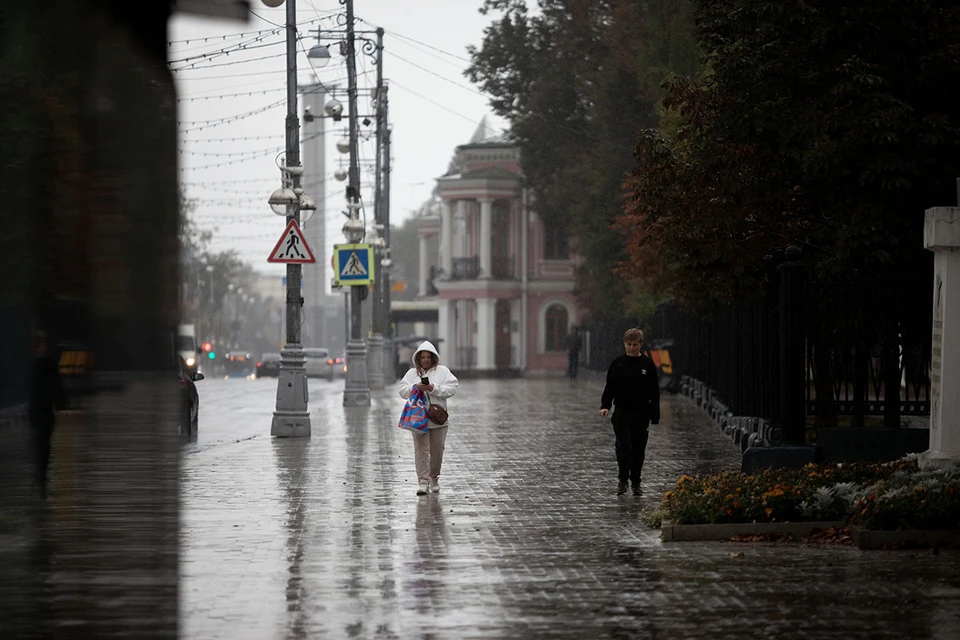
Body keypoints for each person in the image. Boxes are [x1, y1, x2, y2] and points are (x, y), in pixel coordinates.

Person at [599, 327, 660, 496]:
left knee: (639, 448)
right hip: (622, 412)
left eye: (634, 344)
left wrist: (655, 415)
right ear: (624, 344)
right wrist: (605, 405)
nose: (631, 348)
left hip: (641, 413)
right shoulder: (617, 364)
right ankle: (623, 479)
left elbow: (654, 391)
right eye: (628, 344)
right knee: (623, 446)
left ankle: (636, 481)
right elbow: (609, 386)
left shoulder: (647, 365)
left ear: (641, 345)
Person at [398, 341, 459, 496]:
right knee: (421, 451)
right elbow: (402, 390)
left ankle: (434, 478)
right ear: (418, 359)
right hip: (418, 418)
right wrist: (414, 388)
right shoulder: (412, 374)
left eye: (428, 357)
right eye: (422, 357)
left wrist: (434, 388)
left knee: (438, 450)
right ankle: (423, 481)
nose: (425, 360)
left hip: (438, 419)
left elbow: (453, 387)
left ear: (433, 358)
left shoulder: (443, 371)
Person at [28, 329, 65, 498]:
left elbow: (57, 388)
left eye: (42, 344)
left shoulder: (49, 365)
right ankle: (39, 476)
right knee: (39, 443)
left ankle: (41, 475)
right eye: (38, 345)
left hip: (45, 411)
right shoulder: (28, 366)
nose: (40, 348)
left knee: (44, 444)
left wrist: (61, 405)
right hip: (35, 411)